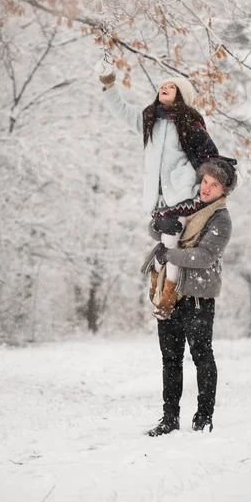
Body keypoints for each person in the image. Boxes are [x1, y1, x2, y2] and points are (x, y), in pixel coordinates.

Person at [98, 67, 219, 318]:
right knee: (166, 245)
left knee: (172, 242)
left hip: (182, 194)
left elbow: (210, 155)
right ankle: (158, 281)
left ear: (181, 95)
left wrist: (193, 179)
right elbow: (120, 110)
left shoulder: (190, 122)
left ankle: (167, 294)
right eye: (163, 85)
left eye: (172, 86)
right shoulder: (149, 119)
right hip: (156, 196)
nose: (165, 87)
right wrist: (109, 85)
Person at [141, 158, 237, 437]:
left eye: (214, 185)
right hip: (169, 292)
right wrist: (161, 223)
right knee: (169, 359)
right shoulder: (186, 201)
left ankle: (204, 417)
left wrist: (168, 254)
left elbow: (205, 256)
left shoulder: (221, 219)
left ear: (224, 190)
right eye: (205, 182)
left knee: (201, 356)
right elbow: (155, 229)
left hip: (197, 297)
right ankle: (169, 419)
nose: (206, 189)